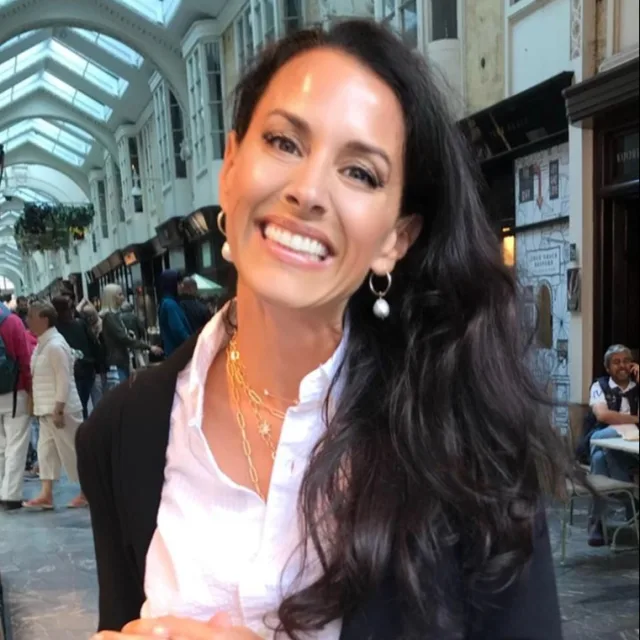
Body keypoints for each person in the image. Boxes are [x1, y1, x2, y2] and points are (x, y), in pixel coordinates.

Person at [79, 20, 565, 640]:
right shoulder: (126, 432)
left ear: (395, 238)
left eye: (360, 172)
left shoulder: (466, 440)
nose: (308, 191)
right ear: (230, 168)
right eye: (284, 142)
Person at [23, 301, 86, 509]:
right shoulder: (43, 344)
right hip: (46, 410)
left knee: (73, 451)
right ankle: (46, 493)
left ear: (44, 319)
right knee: (45, 451)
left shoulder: (56, 345)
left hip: (62, 410)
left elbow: (63, 379)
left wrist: (59, 408)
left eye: (32, 317)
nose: (28, 320)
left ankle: (88, 491)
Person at [582, 344, 639, 546]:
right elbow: (603, 415)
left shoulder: (637, 387)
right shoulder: (600, 386)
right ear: (607, 368)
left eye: (626, 361)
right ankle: (632, 506)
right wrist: (635, 420)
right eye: (616, 362)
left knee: (600, 457)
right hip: (598, 437)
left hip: (628, 451)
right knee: (603, 441)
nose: (622, 366)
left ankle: (596, 524)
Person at [0, 299, 34, 511]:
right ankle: (11, 494)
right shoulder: (12, 322)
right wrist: (31, 390)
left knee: (1, 446)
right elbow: (24, 358)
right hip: (15, 392)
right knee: (17, 444)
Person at [52, 295, 101, 420]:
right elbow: (94, 345)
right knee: (82, 406)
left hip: (77, 372)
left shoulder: (55, 330)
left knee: (80, 407)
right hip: (82, 371)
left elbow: (94, 345)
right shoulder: (79, 325)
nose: (72, 311)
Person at [100, 284, 160, 382]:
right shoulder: (110, 317)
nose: (123, 297)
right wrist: (148, 347)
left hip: (120, 360)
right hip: (118, 362)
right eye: (120, 294)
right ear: (112, 297)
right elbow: (123, 338)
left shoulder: (114, 316)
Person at [158, 269, 193, 357]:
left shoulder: (168, 302)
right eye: (179, 283)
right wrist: (192, 345)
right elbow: (178, 330)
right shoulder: (170, 304)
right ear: (171, 284)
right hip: (178, 355)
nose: (182, 286)